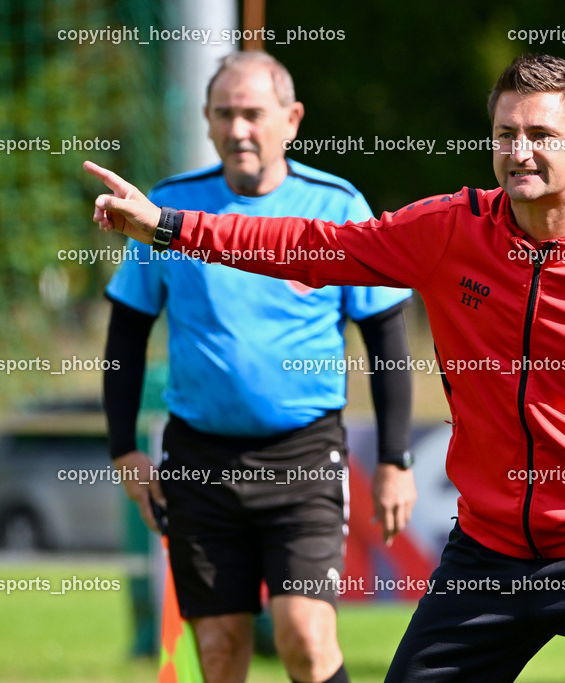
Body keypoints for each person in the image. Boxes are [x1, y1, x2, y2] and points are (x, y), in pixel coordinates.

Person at [87, 53, 565, 682]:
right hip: (487, 554)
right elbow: (310, 246)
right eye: (506, 134)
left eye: (542, 135)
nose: (520, 152)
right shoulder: (449, 231)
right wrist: (169, 226)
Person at [100, 50, 415, 683]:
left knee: (306, 638)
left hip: (304, 455)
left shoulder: (335, 206)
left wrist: (394, 459)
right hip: (198, 457)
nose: (238, 129)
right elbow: (127, 329)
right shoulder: (166, 209)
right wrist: (123, 450)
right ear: (207, 120)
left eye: (253, 114)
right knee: (219, 653)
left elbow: (385, 333)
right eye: (224, 114)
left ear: (291, 120)